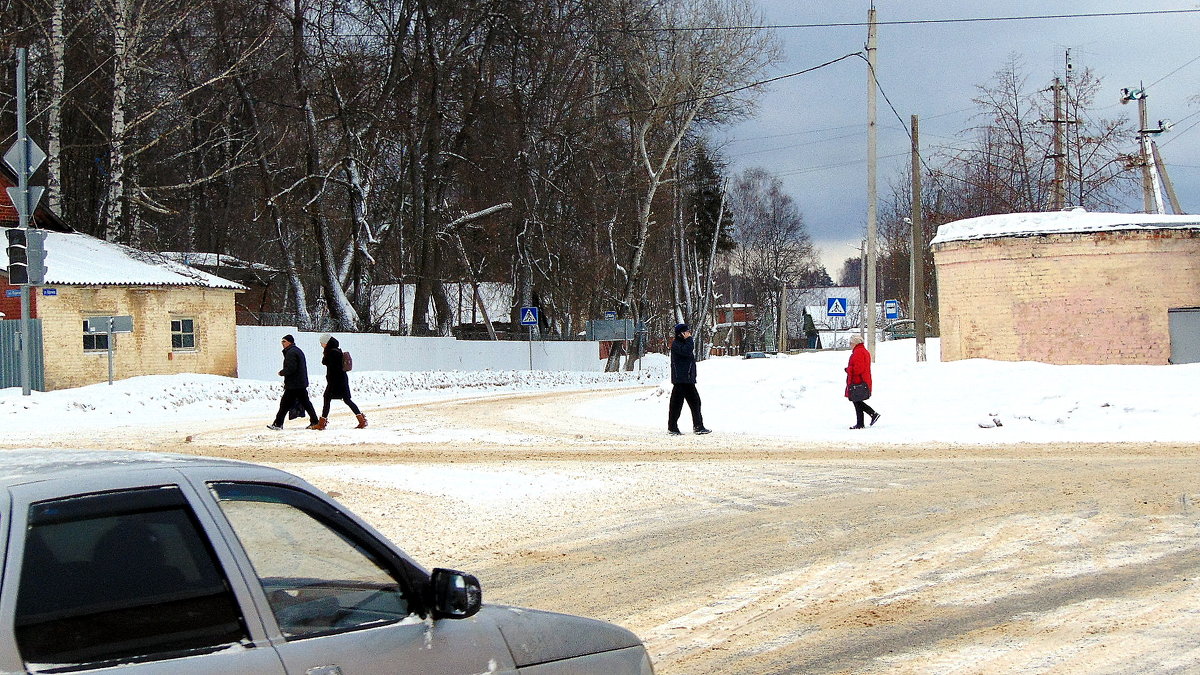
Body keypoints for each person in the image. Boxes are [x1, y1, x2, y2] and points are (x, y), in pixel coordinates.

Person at [313, 333, 367, 430]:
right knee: (346, 400)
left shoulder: (332, 352)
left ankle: (322, 423)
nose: (321, 345)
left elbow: (333, 367)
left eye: (322, 343)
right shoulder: (335, 350)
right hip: (340, 380)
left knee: (327, 398)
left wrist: (332, 382)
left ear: (327, 342)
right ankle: (361, 420)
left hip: (336, 381)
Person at [268, 334, 320, 430]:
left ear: (290, 342)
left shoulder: (291, 352)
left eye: (284, 341)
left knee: (285, 404)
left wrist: (282, 372)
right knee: (304, 403)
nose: (282, 344)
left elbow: (292, 368)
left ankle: (278, 424)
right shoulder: (295, 351)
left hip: (294, 384)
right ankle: (315, 421)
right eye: (282, 342)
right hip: (298, 383)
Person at [668, 323, 711, 435]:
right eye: (687, 332)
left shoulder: (682, 343)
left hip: (686, 379)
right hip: (681, 380)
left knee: (693, 402)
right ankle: (674, 427)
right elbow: (687, 351)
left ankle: (697, 426)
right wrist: (689, 339)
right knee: (678, 404)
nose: (689, 333)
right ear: (682, 333)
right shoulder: (677, 344)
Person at [845, 334, 881, 429]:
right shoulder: (863, 351)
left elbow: (858, 369)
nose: (850, 345)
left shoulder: (858, 352)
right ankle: (862, 422)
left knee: (856, 401)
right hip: (862, 380)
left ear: (855, 343)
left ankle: (872, 414)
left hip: (858, 380)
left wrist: (849, 369)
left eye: (851, 343)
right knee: (857, 401)